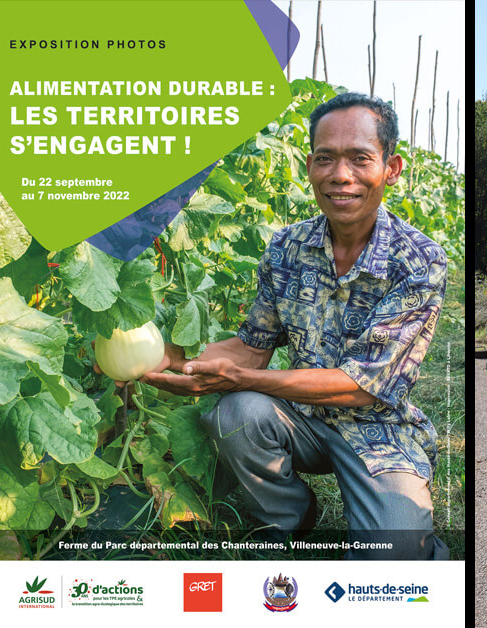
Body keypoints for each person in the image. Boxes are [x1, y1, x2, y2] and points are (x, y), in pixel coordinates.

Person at [125, 92, 449, 560]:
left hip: (380, 430)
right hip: (302, 418)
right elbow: (252, 348)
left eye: (360, 159)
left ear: (390, 169)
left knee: (392, 557)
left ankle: (411, 539)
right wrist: (174, 359)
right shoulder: (287, 247)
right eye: (325, 159)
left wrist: (246, 380)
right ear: (310, 167)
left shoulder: (418, 261)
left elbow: (363, 387)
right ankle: (288, 521)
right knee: (237, 414)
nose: (341, 175)